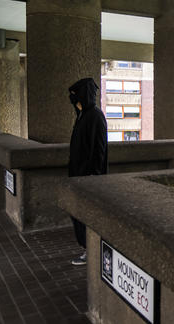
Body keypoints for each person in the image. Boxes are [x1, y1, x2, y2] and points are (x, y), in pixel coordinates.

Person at [67, 78, 108, 266]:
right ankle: (86, 248)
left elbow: (99, 150)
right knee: (78, 215)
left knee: (86, 216)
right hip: (78, 175)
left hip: (89, 177)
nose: (75, 101)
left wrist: (94, 175)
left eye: (77, 97)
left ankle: (90, 250)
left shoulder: (95, 116)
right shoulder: (83, 115)